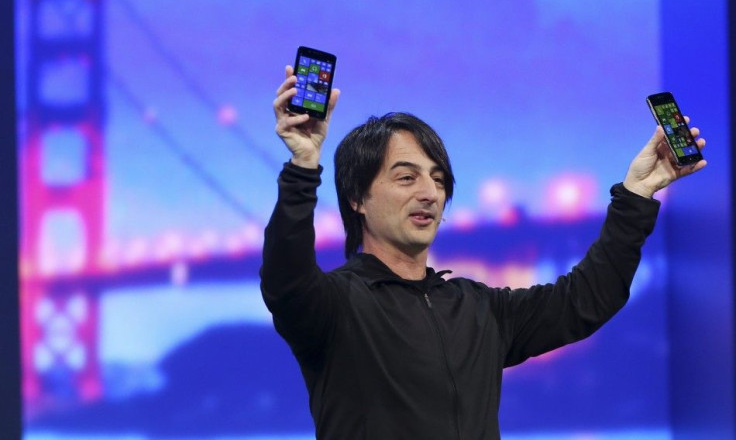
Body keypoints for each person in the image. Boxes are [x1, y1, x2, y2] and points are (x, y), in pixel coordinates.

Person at [260, 65, 706, 440]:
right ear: (357, 197)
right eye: (406, 177)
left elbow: (588, 298)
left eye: (437, 179)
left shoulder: (478, 308)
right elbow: (286, 276)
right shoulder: (333, 306)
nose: (430, 193)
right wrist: (302, 167)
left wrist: (637, 194)